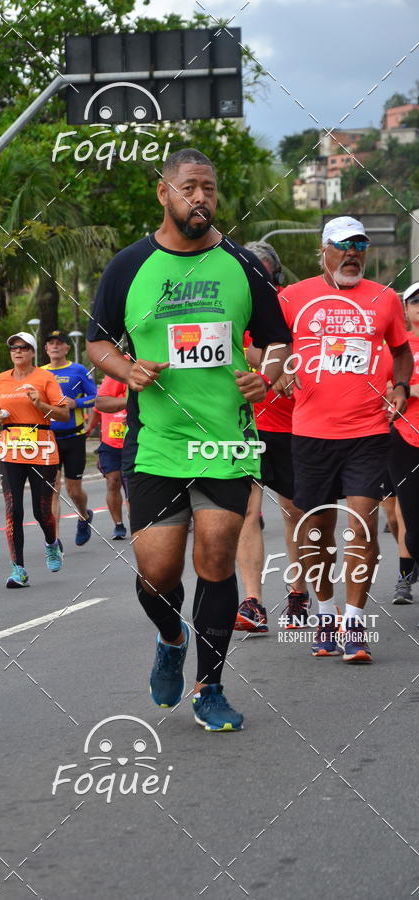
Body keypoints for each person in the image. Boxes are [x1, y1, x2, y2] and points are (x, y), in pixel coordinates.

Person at [87, 148, 291, 732]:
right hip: (155, 440)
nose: (200, 197)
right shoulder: (128, 266)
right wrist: (125, 370)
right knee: (156, 573)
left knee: (216, 560)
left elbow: (279, 339)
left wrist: (267, 374)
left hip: (225, 441)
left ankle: (211, 686)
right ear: (164, 193)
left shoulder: (243, 266)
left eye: (209, 188)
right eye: (189, 187)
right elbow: (98, 342)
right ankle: (171, 638)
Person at [278, 216, 413, 663]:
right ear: (324, 250)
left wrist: (400, 387)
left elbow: (400, 353)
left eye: (360, 246)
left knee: (361, 525)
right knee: (315, 532)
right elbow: (265, 347)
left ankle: (354, 624)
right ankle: (325, 612)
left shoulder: (385, 298)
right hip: (310, 434)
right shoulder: (293, 298)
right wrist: (276, 375)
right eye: (343, 246)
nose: (353, 253)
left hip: (368, 432)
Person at [235, 241, 309, 634]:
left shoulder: (289, 307)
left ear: (274, 274)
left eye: (261, 270)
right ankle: (253, 602)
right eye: (248, 269)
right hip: (242, 425)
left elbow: (295, 360)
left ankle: (297, 593)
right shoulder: (229, 306)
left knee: (294, 513)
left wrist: (258, 358)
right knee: (247, 513)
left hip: (289, 425)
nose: (255, 277)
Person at [0, 331, 68, 586]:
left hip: (41, 448)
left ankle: (51, 543)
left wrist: (40, 404)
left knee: (41, 509)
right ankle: (18, 570)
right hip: (10, 446)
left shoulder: (46, 378)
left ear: (33, 352)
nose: (18, 351)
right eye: (13, 348)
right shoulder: (1, 379)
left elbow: (64, 414)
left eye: (23, 347)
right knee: (13, 510)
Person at [42, 330, 97, 547]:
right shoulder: (39, 373)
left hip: (74, 438)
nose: (55, 346)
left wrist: (77, 403)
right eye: (50, 343)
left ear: (67, 348)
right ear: (46, 349)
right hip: (49, 438)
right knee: (53, 489)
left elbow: (95, 397)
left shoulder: (78, 370)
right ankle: (55, 540)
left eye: (59, 343)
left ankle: (84, 516)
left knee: (73, 490)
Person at [388, 282, 419, 607]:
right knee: (406, 518)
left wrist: (409, 390)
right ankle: (406, 571)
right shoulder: (397, 348)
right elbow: (386, 387)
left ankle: (405, 578)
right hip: (403, 440)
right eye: (415, 302)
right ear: (406, 310)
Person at [95, 372, 129, 539]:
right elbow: (96, 411)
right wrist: (87, 431)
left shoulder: (137, 394)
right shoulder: (106, 398)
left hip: (133, 444)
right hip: (110, 446)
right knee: (112, 482)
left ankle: (137, 521)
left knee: (131, 486)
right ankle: (118, 525)